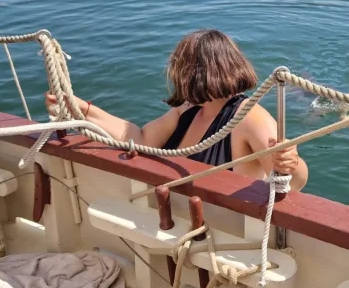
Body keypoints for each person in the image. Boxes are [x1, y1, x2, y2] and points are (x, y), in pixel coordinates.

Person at [44, 29, 308, 191]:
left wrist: (291, 163)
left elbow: (292, 182)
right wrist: (84, 110)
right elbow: (141, 139)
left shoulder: (250, 117)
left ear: (192, 73)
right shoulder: (188, 109)